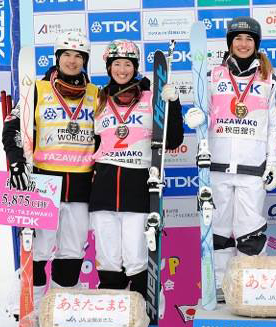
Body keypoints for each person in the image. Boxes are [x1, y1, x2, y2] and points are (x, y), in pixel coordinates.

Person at [183, 17, 276, 302]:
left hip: (253, 169)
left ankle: (251, 289)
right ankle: (221, 288)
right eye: (237, 39)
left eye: (249, 39)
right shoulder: (213, 75)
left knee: (251, 233)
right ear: (229, 43)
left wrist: (273, 162)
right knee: (219, 231)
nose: (243, 44)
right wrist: (197, 116)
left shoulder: (267, 79)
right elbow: (203, 113)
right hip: (217, 167)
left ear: (256, 44)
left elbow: (273, 125)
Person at [3, 31, 97, 316]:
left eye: (78, 56)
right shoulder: (37, 90)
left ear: (85, 61)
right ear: (57, 58)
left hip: (81, 184)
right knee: (39, 249)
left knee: (72, 251)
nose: (72, 60)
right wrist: (17, 162)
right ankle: (30, 307)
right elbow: (12, 128)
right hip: (43, 180)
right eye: (66, 54)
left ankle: (60, 309)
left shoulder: (96, 95)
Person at [89, 39, 183, 299]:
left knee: (137, 260)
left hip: (138, 189)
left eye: (127, 64)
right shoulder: (98, 99)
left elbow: (173, 140)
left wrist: (172, 104)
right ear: (109, 67)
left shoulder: (152, 96)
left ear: (135, 67)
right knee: (107, 262)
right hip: (103, 191)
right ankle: (113, 317)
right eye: (116, 64)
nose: (122, 70)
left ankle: (144, 313)